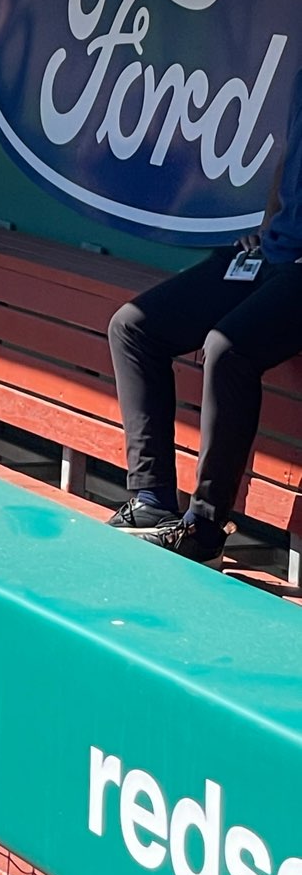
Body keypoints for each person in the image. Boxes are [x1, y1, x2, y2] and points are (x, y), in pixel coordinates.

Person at [108, 105, 302, 563]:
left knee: (227, 349)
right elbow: (289, 156)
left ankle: (205, 529)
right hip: (273, 253)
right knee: (133, 327)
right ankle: (152, 500)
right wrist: (267, 229)